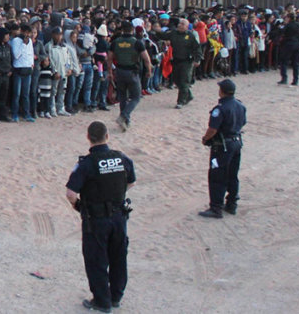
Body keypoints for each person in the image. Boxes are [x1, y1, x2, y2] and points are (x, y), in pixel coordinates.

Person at [65, 121, 136, 313]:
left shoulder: (86, 164)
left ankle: (102, 301)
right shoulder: (121, 158)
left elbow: (71, 193)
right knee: (118, 256)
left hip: (96, 219)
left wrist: (80, 207)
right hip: (119, 216)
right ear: (107, 136)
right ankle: (116, 297)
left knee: (96, 259)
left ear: (88, 138)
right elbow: (131, 181)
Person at [198, 79, 247, 219]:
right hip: (236, 142)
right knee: (233, 174)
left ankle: (216, 207)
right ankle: (232, 203)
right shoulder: (240, 105)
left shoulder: (220, 109)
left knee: (217, 176)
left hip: (223, 146)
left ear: (222, 91)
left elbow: (213, 129)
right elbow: (243, 122)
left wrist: (206, 139)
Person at [107, 23, 152, 131]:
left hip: (120, 71)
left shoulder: (115, 42)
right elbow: (146, 59)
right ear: (132, 30)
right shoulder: (137, 42)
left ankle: (125, 121)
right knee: (136, 97)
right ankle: (124, 116)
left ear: (122, 30)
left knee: (122, 97)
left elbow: (109, 58)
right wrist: (149, 70)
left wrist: (110, 72)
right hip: (132, 71)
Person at [151, 18, 201, 108]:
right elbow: (164, 36)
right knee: (176, 80)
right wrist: (157, 31)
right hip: (176, 60)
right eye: (179, 23)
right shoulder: (173, 33)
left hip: (187, 61)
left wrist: (197, 59)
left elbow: (197, 48)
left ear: (186, 27)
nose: (180, 25)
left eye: (182, 24)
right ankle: (188, 95)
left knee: (184, 81)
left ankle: (180, 101)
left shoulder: (190, 36)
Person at [278, 12, 299, 86]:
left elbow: (281, 33)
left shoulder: (288, 25)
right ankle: (295, 80)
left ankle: (284, 78)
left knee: (284, 61)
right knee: (295, 63)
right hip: (298, 45)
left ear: (289, 18)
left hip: (288, 44)